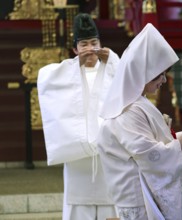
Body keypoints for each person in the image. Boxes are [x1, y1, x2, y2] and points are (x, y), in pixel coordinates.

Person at [97, 23, 182, 220]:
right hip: (138, 195)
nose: (164, 80)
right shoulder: (129, 110)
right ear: (142, 75)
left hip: (139, 191)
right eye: (159, 75)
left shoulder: (135, 103)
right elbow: (148, 154)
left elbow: (149, 145)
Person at [37, 13, 120, 220]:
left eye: (94, 42)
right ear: (75, 49)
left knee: (111, 198)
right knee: (78, 202)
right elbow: (46, 79)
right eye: (84, 44)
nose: (90, 48)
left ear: (102, 45)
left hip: (108, 151)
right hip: (78, 155)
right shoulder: (67, 74)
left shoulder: (114, 70)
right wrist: (75, 65)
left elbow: (132, 85)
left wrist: (114, 62)